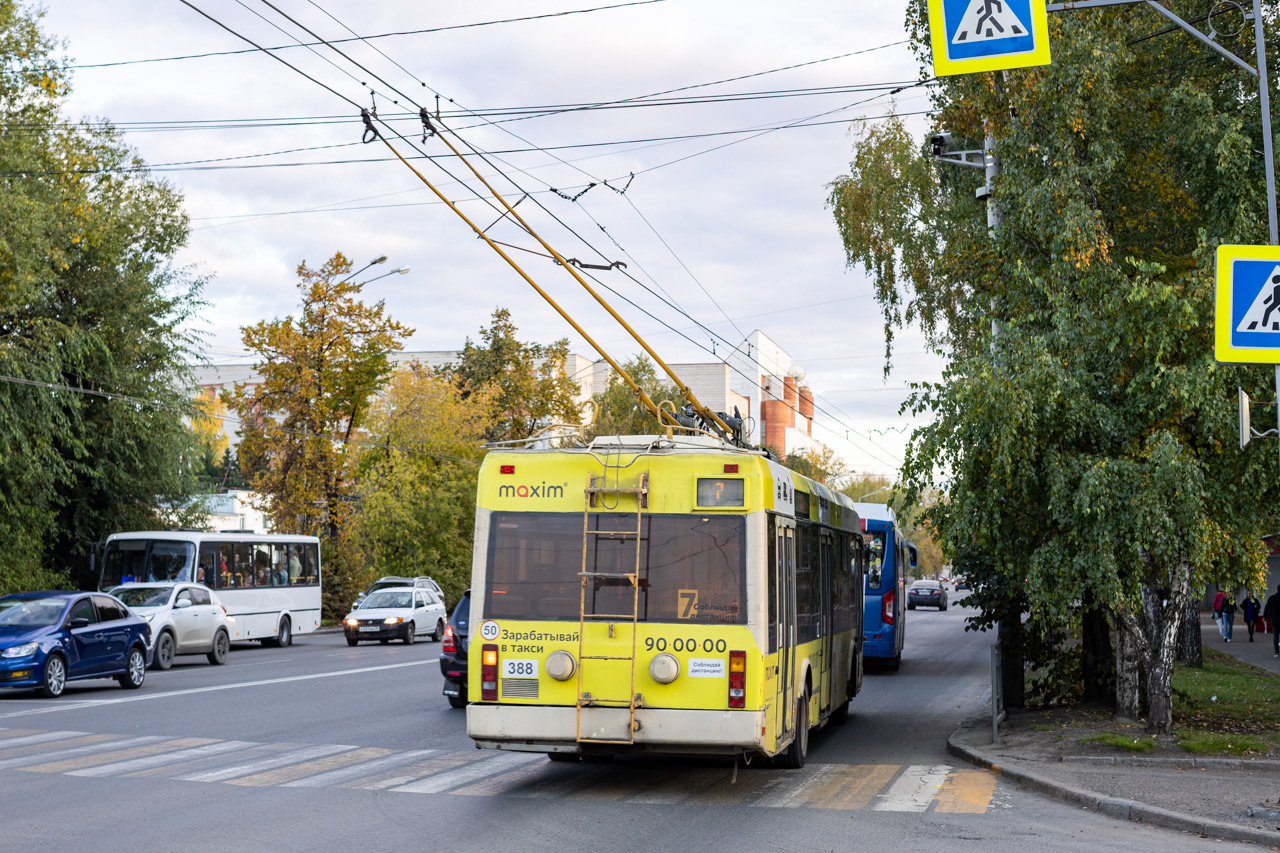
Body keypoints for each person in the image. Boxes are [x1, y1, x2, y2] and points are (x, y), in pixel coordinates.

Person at [1264, 585, 1280, 657]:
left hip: (1275, 619)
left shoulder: (1272, 598)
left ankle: (1276, 651)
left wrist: (1265, 616)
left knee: (1275, 636)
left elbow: (1267, 608)